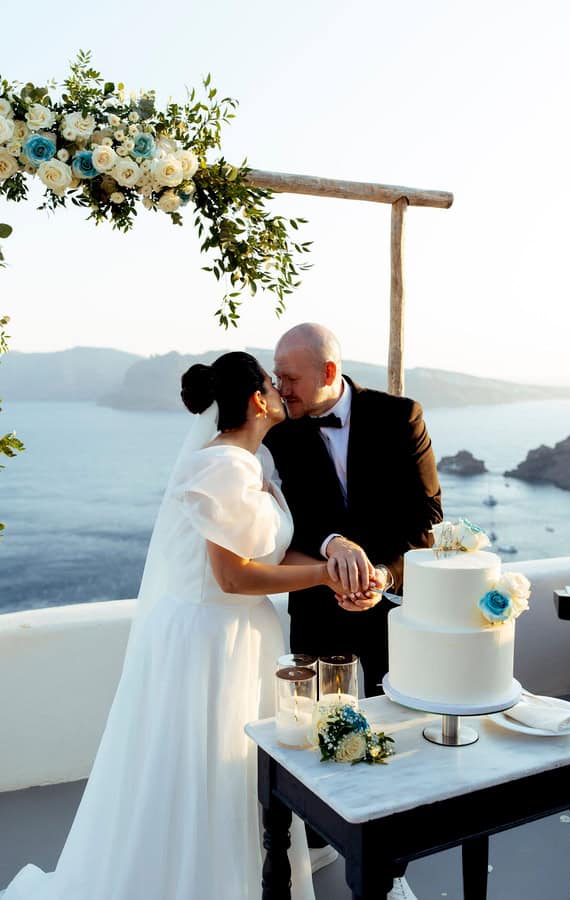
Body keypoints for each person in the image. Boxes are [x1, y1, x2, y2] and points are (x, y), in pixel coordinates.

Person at [3, 351, 374, 900]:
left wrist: (337, 574)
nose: (280, 390)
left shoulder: (257, 462)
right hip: (209, 640)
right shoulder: (219, 466)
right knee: (199, 770)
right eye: (272, 383)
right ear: (256, 399)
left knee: (241, 773)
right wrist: (323, 576)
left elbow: (271, 552)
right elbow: (230, 576)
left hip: (246, 636)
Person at [264, 324, 443, 900]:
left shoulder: (401, 416)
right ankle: (323, 850)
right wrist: (334, 545)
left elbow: (428, 517)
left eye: (289, 377)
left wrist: (384, 575)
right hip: (316, 613)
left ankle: (390, 872)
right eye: (276, 374)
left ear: (329, 374)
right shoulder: (277, 433)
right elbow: (285, 523)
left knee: (394, 741)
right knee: (324, 745)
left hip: (391, 614)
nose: (279, 387)